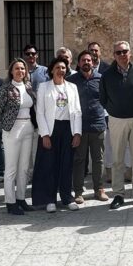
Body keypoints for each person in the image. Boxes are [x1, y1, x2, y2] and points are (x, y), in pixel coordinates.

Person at [99, 40, 133, 210]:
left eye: (124, 51)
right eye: (118, 52)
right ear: (114, 55)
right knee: (117, 159)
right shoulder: (107, 75)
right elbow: (103, 98)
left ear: (130, 53)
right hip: (116, 120)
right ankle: (118, 194)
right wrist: (114, 109)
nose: (122, 55)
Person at [32, 57, 82, 212]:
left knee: (67, 164)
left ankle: (67, 198)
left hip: (68, 128)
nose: (61, 70)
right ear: (52, 70)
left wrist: (77, 133)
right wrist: (45, 135)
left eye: (63, 68)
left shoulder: (72, 87)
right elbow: (40, 112)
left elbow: (77, 111)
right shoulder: (44, 87)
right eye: (58, 67)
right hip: (51, 128)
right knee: (50, 165)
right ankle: (50, 199)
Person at [0, 59, 38, 215]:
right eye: (17, 68)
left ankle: (21, 198)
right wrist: (4, 128)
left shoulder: (28, 87)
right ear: (11, 71)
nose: (20, 71)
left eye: (22, 68)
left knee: (24, 167)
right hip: (12, 129)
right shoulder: (5, 88)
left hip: (28, 128)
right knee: (11, 168)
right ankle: (10, 201)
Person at [68, 50, 108, 203]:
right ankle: (78, 191)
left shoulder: (101, 79)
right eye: (83, 60)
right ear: (78, 63)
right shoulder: (71, 81)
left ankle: (99, 189)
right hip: (79, 127)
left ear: (93, 62)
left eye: (89, 60)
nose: (86, 62)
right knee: (79, 159)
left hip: (98, 125)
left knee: (98, 159)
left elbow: (106, 98)